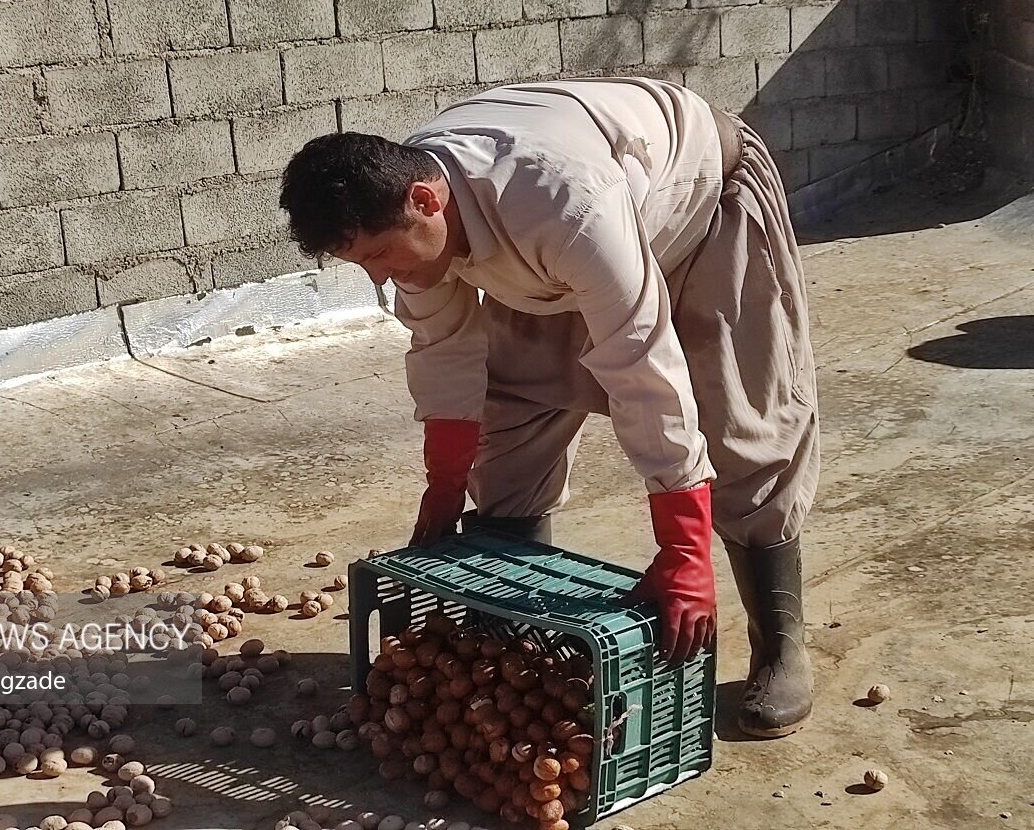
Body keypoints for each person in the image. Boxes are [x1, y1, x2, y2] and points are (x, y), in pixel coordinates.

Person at [278, 77, 819, 739]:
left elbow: (642, 365)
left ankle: (780, 645)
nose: (379, 277)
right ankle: (518, 639)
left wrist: (682, 548)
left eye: (381, 255)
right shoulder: (413, 212)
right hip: (567, 256)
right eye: (360, 263)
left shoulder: (560, 199)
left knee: (740, 423)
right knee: (513, 414)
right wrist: (445, 486)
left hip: (706, 207)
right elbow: (444, 349)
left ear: (425, 200)